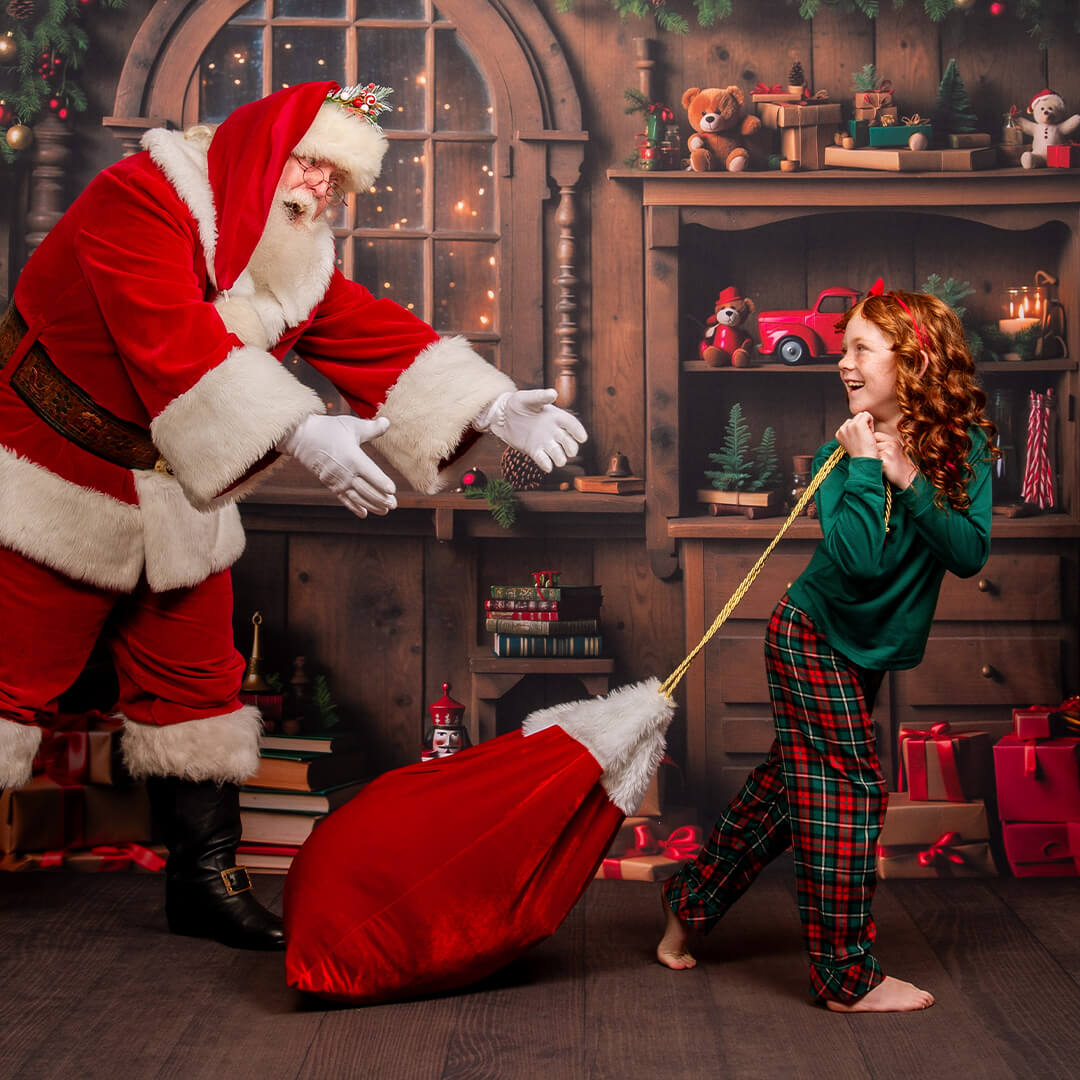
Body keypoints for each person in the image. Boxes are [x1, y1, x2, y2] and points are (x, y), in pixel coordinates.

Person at [0, 80, 586, 950]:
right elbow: (170, 337)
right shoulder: (139, 200)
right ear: (260, 150)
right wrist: (306, 430)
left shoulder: (285, 250)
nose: (318, 190)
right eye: (309, 162)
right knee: (9, 683)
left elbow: (361, 327)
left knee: (197, 689)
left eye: (338, 180)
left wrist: (490, 407)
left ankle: (205, 882)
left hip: (177, 490)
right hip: (56, 478)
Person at [656, 283, 995, 1012]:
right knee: (848, 790)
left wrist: (907, 477)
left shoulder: (966, 453)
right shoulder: (836, 458)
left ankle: (688, 906)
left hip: (866, 651)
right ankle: (846, 977)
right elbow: (861, 563)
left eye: (860, 349)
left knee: (784, 797)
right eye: (842, 349)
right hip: (811, 638)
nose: (842, 363)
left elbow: (968, 552)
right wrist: (869, 465)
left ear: (913, 361)